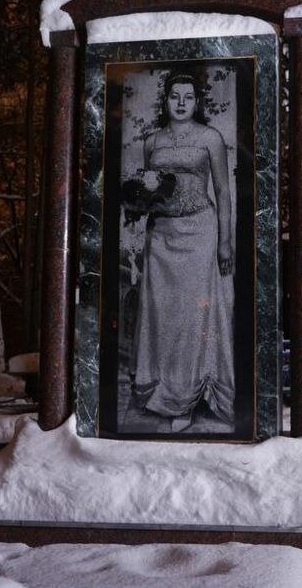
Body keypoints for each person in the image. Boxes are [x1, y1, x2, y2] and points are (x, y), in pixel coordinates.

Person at [129, 70, 234, 432]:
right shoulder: (152, 140)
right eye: (175, 96)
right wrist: (138, 206)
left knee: (192, 316)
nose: (182, 103)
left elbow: (223, 192)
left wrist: (224, 241)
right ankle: (162, 392)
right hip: (161, 235)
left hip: (200, 232)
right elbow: (146, 187)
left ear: (197, 101)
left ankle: (187, 397)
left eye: (188, 97)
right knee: (163, 315)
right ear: (166, 100)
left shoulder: (211, 138)